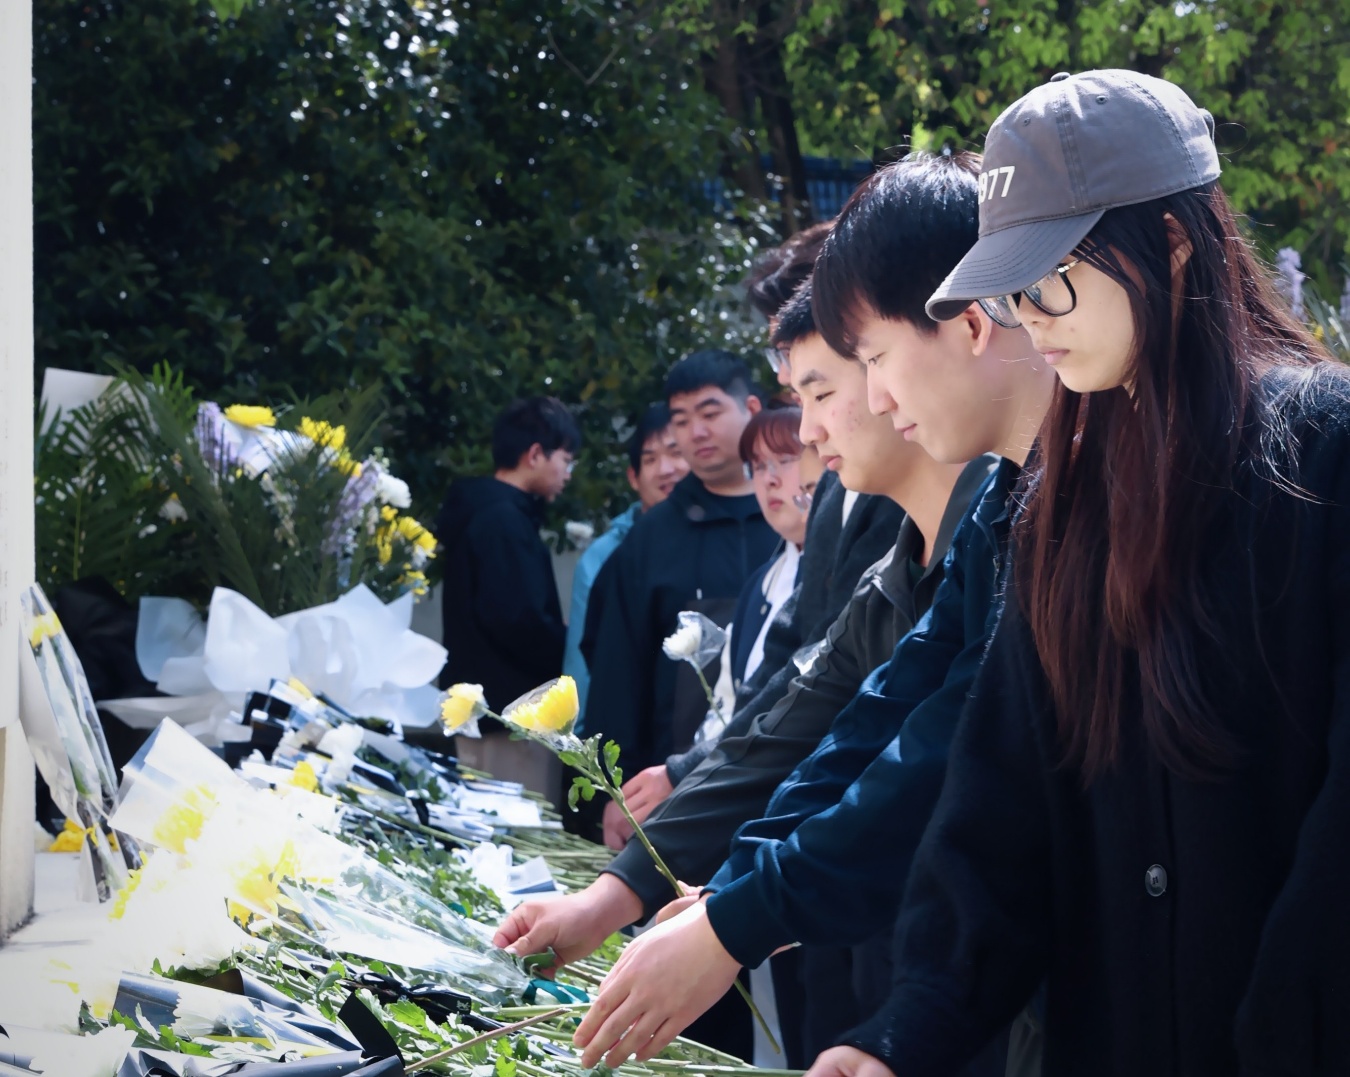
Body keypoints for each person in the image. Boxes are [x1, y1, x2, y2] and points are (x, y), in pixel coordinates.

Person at [804, 70, 1350, 1077]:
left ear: (1173, 244)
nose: (1030, 317)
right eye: (1010, 288)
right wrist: (900, 1035)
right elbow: (1004, 803)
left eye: (1050, 278)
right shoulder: (1061, 502)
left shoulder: (1325, 453)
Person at [567, 149, 1057, 1072]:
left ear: (970, 319)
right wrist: (718, 896)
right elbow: (844, 712)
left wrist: (738, 912)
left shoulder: (1057, 495)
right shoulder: (997, 507)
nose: (825, 424)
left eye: (855, 371)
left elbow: (938, 749)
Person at [495, 245, 996, 1061]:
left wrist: (729, 916)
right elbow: (819, 721)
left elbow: (916, 761)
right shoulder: (911, 543)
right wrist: (630, 895)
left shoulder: (1012, 520)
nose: (810, 432)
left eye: (828, 388)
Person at [579, 351, 778, 783]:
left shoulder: (795, 517)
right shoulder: (650, 539)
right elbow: (616, 669)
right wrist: (614, 783)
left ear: (751, 409)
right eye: (681, 420)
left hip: (787, 770)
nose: (696, 432)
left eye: (710, 413)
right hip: (673, 784)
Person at [435, 396, 579, 796]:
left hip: (483, 710)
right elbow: (518, 621)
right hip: (510, 715)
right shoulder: (504, 520)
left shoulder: (483, 510)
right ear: (535, 455)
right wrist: (566, 643)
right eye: (566, 460)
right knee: (519, 825)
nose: (567, 474)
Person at [564, 404, 687, 717]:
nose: (666, 468)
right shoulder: (604, 555)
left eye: (676, 453)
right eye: (650, 459)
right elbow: (581, 660)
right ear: (634, 476)